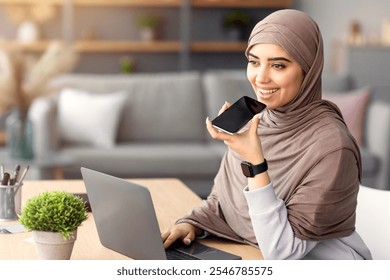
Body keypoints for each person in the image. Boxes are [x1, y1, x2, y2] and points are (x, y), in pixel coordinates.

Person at [161, 9, 372, 260]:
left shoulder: (332, 148)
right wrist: (191, 224)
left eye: (278, 65)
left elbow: (283, 252)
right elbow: (222, 202)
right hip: (253, 253)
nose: (260, 78)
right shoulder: (256, 122)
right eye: (254, 61)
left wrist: (255, 164)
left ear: (309, 69)